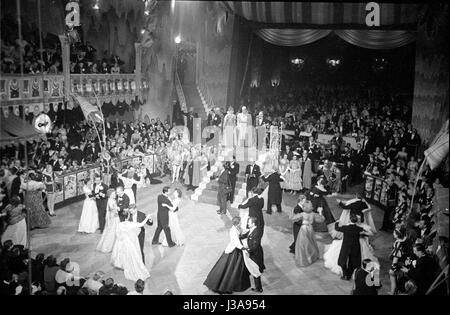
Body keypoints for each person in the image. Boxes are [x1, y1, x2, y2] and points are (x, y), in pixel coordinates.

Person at [203, 216, 251, 294]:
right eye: (240, 222)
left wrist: (249, 231)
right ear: (237, 223)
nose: (241, 223)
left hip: (236, 249)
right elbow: (236, 242)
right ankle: (224, 286)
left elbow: (242, 232)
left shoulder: (237, 228)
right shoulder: (233, 231)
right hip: (234, 250)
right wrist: (243, 248)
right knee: (231, 269)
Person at [111, 212, 153, 282]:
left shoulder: (119, 224)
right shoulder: (131, 224)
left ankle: (126, 267)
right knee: (134, 256)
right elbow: (141, 224)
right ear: (127, 217)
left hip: (122, 243)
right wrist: (147, 217)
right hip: (130, 243)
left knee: (125, 255)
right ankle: (135, 268)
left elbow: (117, 234)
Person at [292, 200, 325, 267]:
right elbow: (321, 219)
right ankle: (311, 257)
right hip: (310, 229)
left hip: (304, 229)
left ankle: (305, 259)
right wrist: (320, 212)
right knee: (311, 242)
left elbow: (293, 218)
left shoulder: (302, 214)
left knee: (303, 245)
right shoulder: (313, 214)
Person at [334, 215, 365, 280]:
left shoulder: (345, 228)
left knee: (342, 260)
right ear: (356, 221)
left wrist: (337, 222)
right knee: (353, 261)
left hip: (346, 246)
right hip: (355, 247)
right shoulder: (359, 229)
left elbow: (337, 228)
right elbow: (366, 234)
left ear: (349, 220)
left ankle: (345, 274)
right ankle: (349, 275)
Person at [241, 217, 265, 293]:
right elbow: (247, 235)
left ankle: (259, 288)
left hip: (255, 254)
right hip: (254, 253)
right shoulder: (253, 230)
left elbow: (255, 246)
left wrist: (247, 250)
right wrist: (240, 236)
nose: (248, 223)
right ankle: (258, 287)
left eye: (249, 222)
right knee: (255, 269)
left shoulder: (256, 233)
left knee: (255, 270)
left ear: (253, 224)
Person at [96, 189, 120, 253]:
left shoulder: (112, 200)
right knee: (112, 231)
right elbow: (112, 209)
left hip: (114, 216)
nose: (115, 195)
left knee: (114, 230)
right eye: (113, 194)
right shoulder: (110, 201)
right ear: (110, 195)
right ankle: (108, 246)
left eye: (115, 193)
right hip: (113, 217)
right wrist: (117, 209)